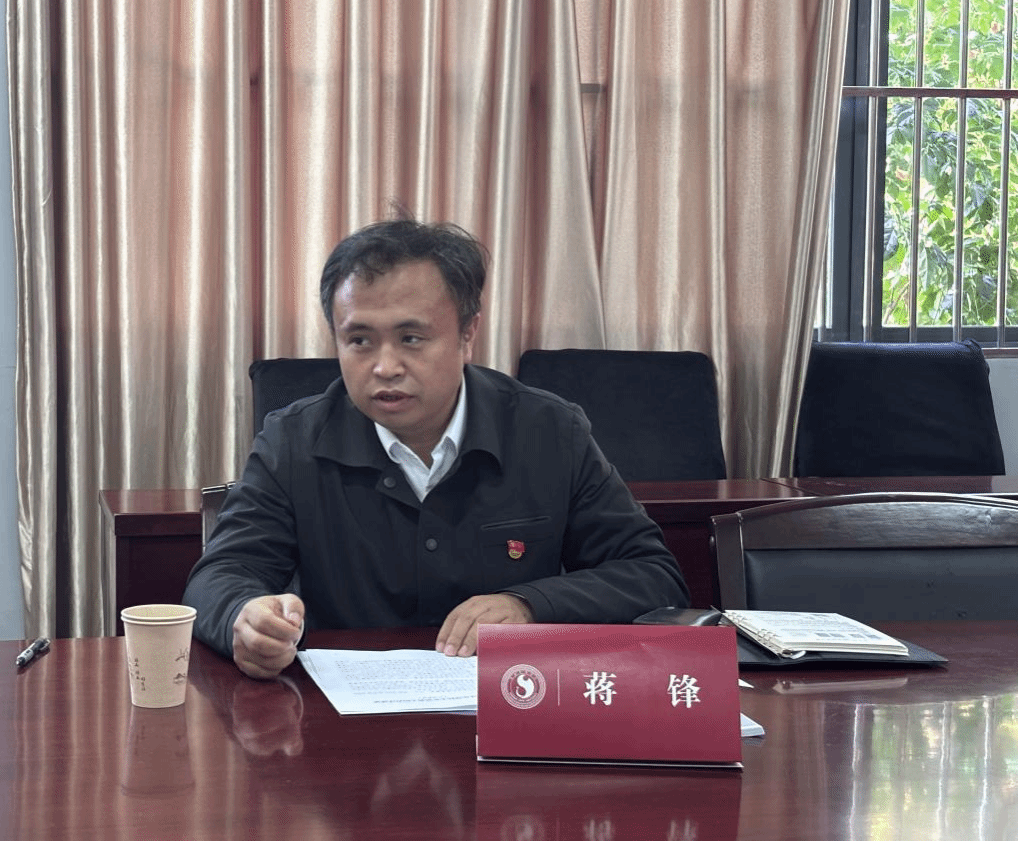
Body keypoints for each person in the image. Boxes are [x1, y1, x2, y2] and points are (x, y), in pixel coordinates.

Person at [184, 217, 688, 679]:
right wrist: (243, 617)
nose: (385, 367)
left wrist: (530, 604)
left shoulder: (549, 431)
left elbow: (652, 574)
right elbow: (220, 575)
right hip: (340, 722)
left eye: (411, 338)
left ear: (467, 334)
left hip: (510, 706)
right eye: (359, 341)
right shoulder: (293, 441)